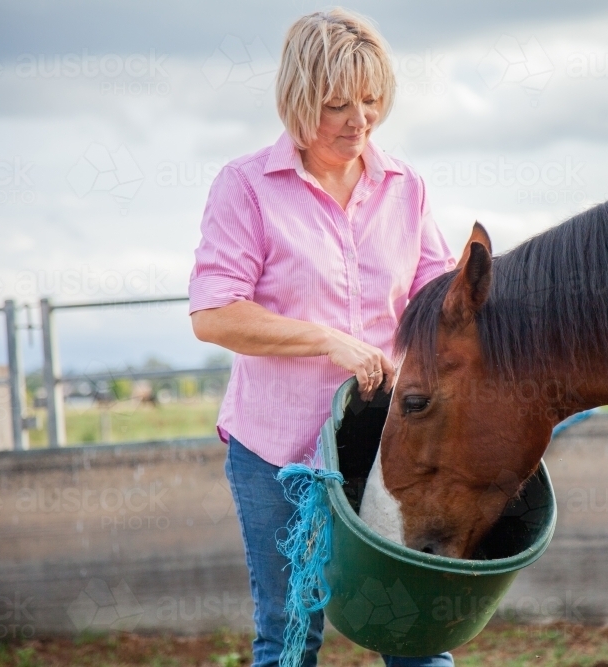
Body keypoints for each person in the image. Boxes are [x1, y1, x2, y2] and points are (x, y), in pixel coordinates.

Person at [188, 9, 457, 667]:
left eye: (370, 101)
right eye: (337, 104)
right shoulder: (246, 187)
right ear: (298, 99)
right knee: (288, 637)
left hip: (389, 446)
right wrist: (326, 340)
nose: (358, 120)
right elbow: (214, 313)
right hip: (279, 455)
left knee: (417, 633)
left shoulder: (406, 187)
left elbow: (440, 298)